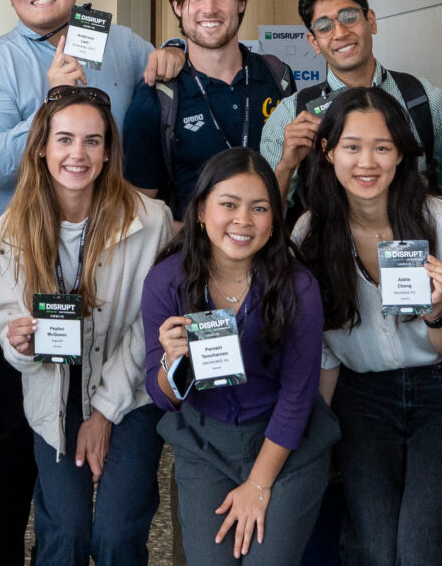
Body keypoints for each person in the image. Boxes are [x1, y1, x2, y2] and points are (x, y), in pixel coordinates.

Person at [0, 0, 160, 565]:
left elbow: (166, 60)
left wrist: (176, 49)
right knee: (17, 430)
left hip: (118, 250)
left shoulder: (119, 43)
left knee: (115, 394)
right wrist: (46, 104)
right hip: (26, 255)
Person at [294, 88, 442, 566]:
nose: (367, 162)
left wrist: (435, 311)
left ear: (401, 153)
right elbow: (323, 353)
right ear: (328, 151)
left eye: (382, 147)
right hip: (362, 396)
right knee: (373, 547)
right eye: (352, 146)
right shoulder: (310, 235)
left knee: (422, 546)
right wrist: (315, 437)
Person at [0, 86, 176, 566]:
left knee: (116, 535)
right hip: (53, 391)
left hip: (130, 393)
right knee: (65, 535)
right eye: (65, 139)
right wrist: (18, 340)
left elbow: (147, 325)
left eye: (92, 141)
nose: (78, 154)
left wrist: (105, 412)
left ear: (109, 150)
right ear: (42, 148)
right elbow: (8, 315)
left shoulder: (151, 221)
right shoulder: (14, 227)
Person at [143, 148, 336, 566]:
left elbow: (298, 395)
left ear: (275, 219)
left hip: (285, 445)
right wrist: (171, 363)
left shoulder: (297, 285)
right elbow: (162, 397)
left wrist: (259, 485)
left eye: (259, 208)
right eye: (228, 204)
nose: (243, 221)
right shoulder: (166, 280)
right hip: (203, 443)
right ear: (200, 210)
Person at [258, 0, 442, 221]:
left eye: (349, 17)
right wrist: (287, 165)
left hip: (410, 253)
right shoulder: (290, 116)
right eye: (324, 27)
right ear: (314, 42)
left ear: (371, 21)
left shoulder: (425, 101)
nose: (339, 33)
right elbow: (264, 216)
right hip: (324, 255)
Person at [124, 0, 297, 210]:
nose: (210, 9)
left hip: (276, 247)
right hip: (192, 249)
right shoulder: (154, 99)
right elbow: (141, 212)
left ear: (241, 2)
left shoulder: (277, 77)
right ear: (177, 6)